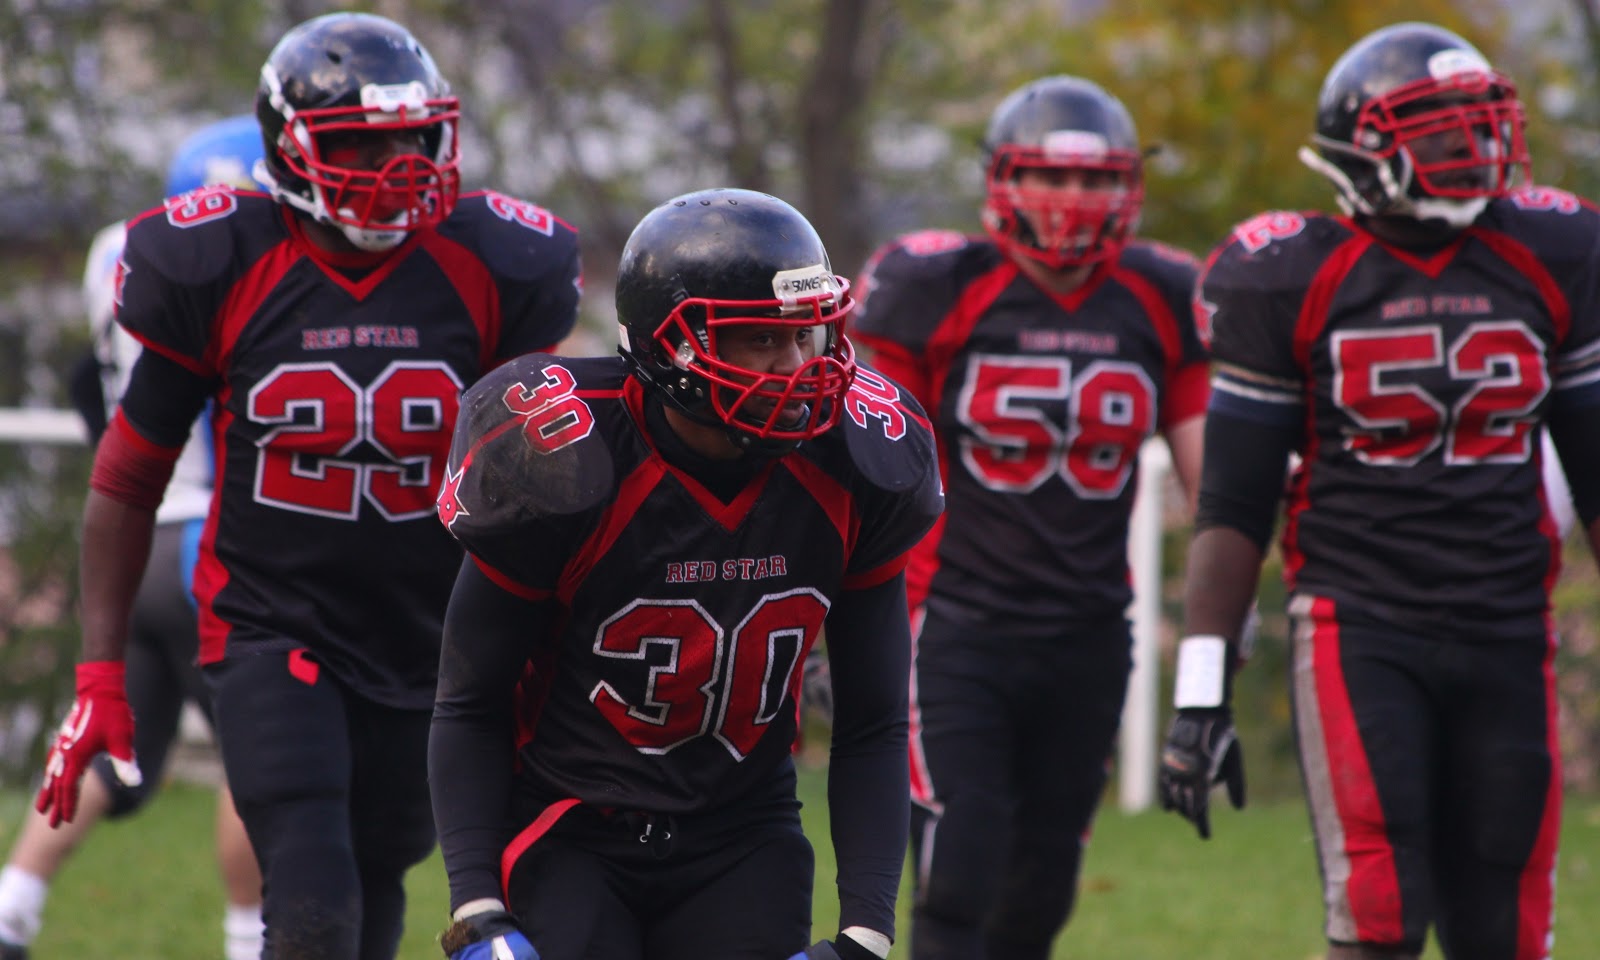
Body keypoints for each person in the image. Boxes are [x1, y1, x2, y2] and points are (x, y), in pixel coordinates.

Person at [31, 12, 581, 960]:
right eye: (365, 144)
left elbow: (554, 476)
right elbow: (127, 474)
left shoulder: (493, 260)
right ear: (287, 144)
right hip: (269, 619)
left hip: (430, 630)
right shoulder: (221, 257)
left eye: (416, 138)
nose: (401, 165)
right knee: (313, 894)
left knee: (374, 888)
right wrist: (98, 671)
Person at [1156, 21, 1600, 960]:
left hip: (1508, 622)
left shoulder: (1551, 252)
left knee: (1508, 927)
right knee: (1380, 913)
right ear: (1369, 145)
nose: (1476, 149)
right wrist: (1201, 692)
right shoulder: (1291, 272)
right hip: (1361, 624)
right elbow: (1233, 504)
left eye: (1483, 124)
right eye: (1442, 129)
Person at [428, 187, 944, 960]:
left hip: (744, 832)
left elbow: (872, 721)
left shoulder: (856, 462)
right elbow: (470, 702)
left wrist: (865, 933)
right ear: (673, 345)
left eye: (808, 334)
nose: (799, 365)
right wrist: (478, 911)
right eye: (764, 339)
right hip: (572, 827)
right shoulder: (563, 460)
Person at [847, 75, 1207, 960]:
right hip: (952, 623)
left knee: (1042, 890)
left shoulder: (1163, 293)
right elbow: (855, 471)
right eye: (1054, 177)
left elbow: (1221, 491)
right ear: (1002, 181)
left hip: (1088, 630)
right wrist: (839, 623)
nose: (1076, 201)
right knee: (960, 864)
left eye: (1096, 181)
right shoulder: (934, 283)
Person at [0, 116, 267, 960]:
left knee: (113, 744)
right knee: (258, 760)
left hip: (130, 536)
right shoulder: (238, 263)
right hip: (208, 539)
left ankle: (11, 908)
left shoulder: (120, 248)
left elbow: (92, 385)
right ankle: (246, 940)